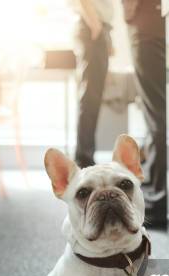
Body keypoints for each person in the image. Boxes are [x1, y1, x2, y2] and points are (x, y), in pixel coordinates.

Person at [122, 0, 167, 228]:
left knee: (156, 112)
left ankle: (158, 200)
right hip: (157, 20)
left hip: (147, 23)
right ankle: (154, 192)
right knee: (157, 111)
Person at [72, 0, 114, 168]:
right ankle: (84, 159)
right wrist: (96, 27)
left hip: (97, 28)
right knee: (90, 98)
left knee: (92, 99)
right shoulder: (94, 28)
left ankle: (85, 158)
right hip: (92, 27)